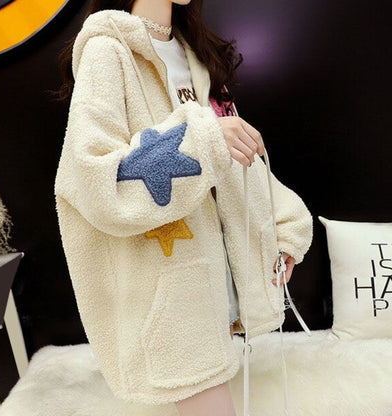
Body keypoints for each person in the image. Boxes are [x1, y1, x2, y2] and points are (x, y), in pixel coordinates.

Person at [53, 1, 313, 415]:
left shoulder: (195, 54)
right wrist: (203, 138)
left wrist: (284, 228)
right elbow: (94, 178)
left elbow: (237, 164)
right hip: (172, 295)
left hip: (219, 280)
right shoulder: (108, 49)